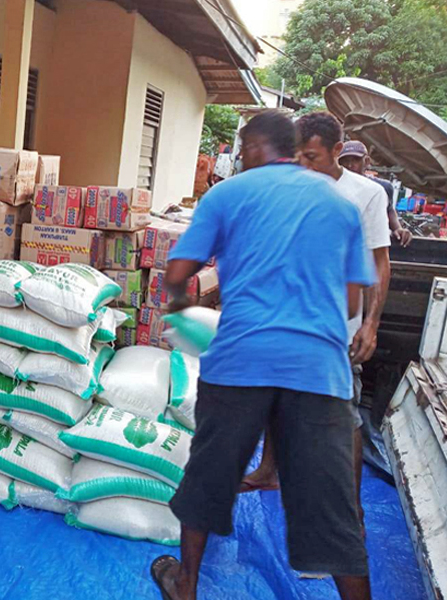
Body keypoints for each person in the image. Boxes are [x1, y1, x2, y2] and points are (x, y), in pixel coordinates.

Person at [150, 110, 375, 600]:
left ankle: (185, 584)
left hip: (240, 362)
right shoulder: (339, 206)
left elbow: (179, 269)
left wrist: (184, 311)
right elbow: (353, 301)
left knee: (210, 476)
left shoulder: (227, 195)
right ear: (294, 148)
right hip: (318, 369)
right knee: (332, 507)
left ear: (253, 147)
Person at [242, 114, 392, 533]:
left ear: (336, 151)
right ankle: (268, 470)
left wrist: (371, 324)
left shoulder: (365, 195)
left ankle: (352, 513)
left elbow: (380, 263)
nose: (302, 164)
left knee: (342, 419)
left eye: (311, 156)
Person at [339, 141, 412, 247]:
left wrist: (398, 229)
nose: (350, 165)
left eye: (356, 160)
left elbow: (389, 210)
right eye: (345, 161)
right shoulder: (333, 187)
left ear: (367, 161)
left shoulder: (381, 188)